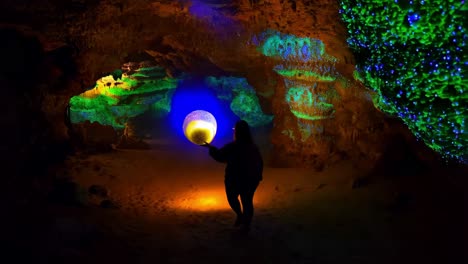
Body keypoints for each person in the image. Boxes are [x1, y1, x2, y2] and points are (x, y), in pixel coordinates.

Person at [203, 120, 263, 233]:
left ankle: (241, 217)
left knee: (232, 198)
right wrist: (258, 175)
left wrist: (211, 148)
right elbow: (259, 162)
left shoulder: (234, 146)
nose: (233, 132)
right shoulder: (253, 147)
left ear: (237, 132)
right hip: (250, 179)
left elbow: (220, 156)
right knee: (247, 201)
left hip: (235, 178)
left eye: (234, 130)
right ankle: (246, 224)